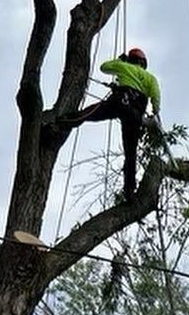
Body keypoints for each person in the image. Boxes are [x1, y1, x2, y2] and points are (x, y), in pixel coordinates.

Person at [50, 47, 161, 200]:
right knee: (131, 154)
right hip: (134, 115)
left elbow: (104, 67)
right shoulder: (150, 78)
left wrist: (119, 61)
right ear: (143, 63)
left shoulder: (124, 66)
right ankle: (129, 192)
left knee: (87, 114)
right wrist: (155, 113)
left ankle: (58, 124)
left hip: (119, 102)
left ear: (130, 59)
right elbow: (156, 97)